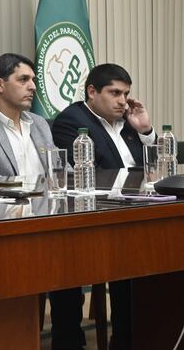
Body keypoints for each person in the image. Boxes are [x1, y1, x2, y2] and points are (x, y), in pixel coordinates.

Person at [0, 53, 83, 349]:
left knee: (71, 274)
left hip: (48, 222)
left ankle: (70, 343)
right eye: (23, 80)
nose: (32, 87)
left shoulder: (39, 123)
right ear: (0, 85)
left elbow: (60, 171)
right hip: (6, 228)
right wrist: (36, 188)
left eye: (33, 80)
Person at [52, 63, 156, 350]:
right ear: (92, 92)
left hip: (132, 214)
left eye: (126, 94)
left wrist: (145, 130)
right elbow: (98, 173)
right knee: (131, 265)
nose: (123, 101)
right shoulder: (72, 121)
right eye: (115, 93)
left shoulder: (128, 124)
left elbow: (153, 169)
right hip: (91, 219)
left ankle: (135, 338)